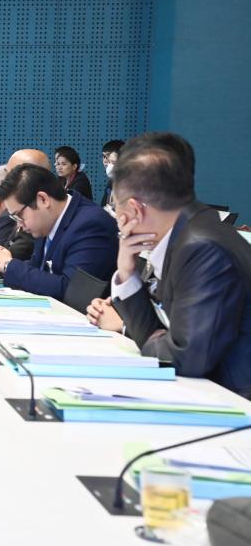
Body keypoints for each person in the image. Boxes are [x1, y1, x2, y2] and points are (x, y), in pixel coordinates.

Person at [110, 132, 251, 397]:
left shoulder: (201, 247)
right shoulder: (194, 229)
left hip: (233, 403)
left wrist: (157, 341)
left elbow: (186, 358)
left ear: (135, 210)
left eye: (116, 207)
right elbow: (167, 342)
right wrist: (127, 273)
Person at [0, 163, 117, 301]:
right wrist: (3, 262)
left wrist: (8, 265)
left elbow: (71, 290)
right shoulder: (48, 221)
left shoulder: (91, 225)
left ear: (43, 199)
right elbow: (39, 268)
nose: (19, 225)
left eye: (19, 216)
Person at [99, 139, 124, 208]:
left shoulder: (129, 184)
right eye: (104, 156)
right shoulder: (111, 181)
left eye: (113, 162)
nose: (105, 161)